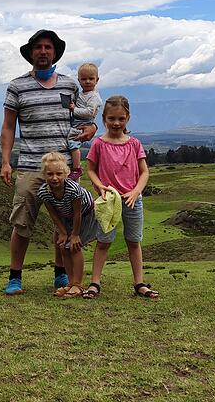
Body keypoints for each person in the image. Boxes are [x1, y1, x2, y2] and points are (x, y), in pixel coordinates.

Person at [0, 29, 96, 296]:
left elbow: (83, 117)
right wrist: (5, 161)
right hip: (31, 165)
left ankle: (60, 274)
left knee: (63, 225)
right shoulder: (17, 85)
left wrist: (92, 128)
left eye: (48, 48)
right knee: (22, 222)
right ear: (31, 53)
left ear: (55, 53)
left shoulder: (69, 85)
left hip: (64, 167)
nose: (43, 52)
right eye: (38, 47)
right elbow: (8, 127)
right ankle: (15, 277)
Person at [84, 95, 159, 299]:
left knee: (134, 241)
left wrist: (136, 192)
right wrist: (99, 186)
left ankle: (139, 283)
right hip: (108, 201)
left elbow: (144, 172)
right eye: (111, 119)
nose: (116, 123)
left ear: (128, 118)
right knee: (103, 241)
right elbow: (90, 169)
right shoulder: (99, 144)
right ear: (104, 119)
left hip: (132, 200)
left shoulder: (134, 144)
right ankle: (94, 283)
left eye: (121, 119)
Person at [37, 152, 96, 298]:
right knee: (63, 246)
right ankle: (71, 283)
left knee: (74, 246)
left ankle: (78, 285)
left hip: (85, 214)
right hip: (65, 217)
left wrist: (74, 235)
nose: (54, 178)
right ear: (44, 175)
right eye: (50, 174)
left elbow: (78, 214)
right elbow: (53, 214)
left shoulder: (72, 189)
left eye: (59, 173)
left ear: (66, 173)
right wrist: (63, 233)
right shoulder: (44, 192)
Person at [65, 62, 103, 182]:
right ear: (79, 80)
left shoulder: (94, 97)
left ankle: (77, 168)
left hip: (82, 122)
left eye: (91, 79)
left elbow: (89, 112)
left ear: (97, 80)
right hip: (77, 120)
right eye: (84, 79)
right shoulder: (82, 94)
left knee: (72, 141)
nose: (87, 81)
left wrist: (74, 109)